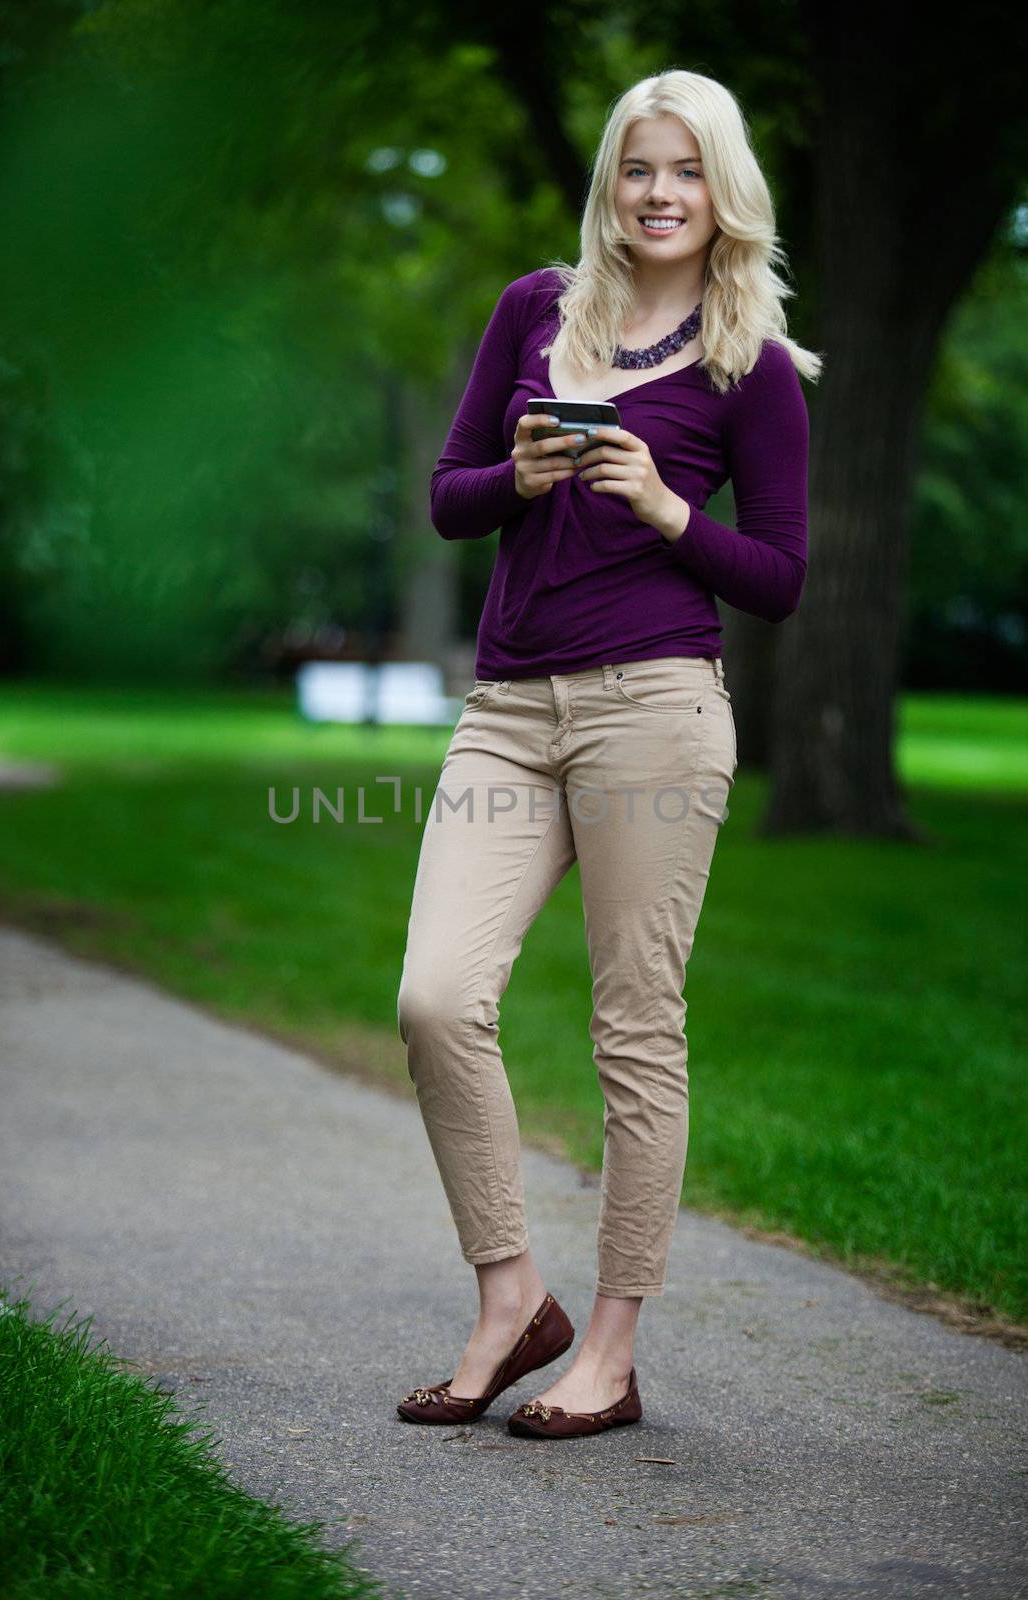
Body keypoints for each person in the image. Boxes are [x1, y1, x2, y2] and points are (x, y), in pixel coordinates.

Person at [395, 68, 821, 1440]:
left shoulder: (747, 358)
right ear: (609, 183)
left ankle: (614, 1349)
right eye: (638, 168)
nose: (657, 193)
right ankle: (514, 1294)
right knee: (435, 1000)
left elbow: (780, 578)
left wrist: (661, 504)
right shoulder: (537, 307)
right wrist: (519, 478)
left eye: (684, 171)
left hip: (656, 706)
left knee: (636, 1032)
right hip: (510, 710)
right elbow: (450, 498)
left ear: (722, 191)